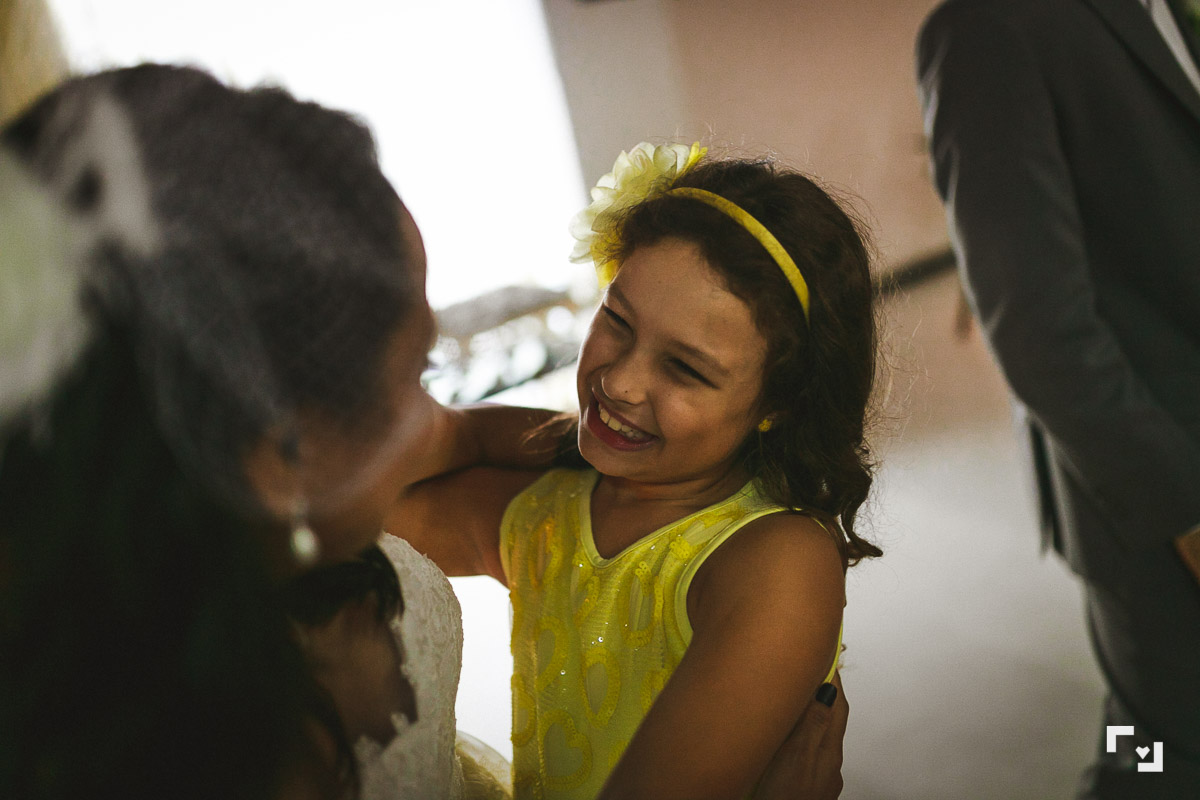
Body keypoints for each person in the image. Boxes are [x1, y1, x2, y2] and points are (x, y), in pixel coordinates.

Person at [0, 66, 848, 799]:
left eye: (688, 368)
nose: (429, 423)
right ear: (282, 449)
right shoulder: (247, 741)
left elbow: (459, 442)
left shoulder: (194, 537)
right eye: (412, 378)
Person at [393, 141, 880, 799]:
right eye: (616, 320)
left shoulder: (776, 561)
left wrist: (486, 438)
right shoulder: (545, 511)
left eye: (684, 368)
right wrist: (483, 435)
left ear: (779, 405)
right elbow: (350, 503)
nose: (618, 382)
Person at [916, 1, 1200, 796]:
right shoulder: (988, 29)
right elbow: (1039, 325)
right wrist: (1183, 507)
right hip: (1156, 489)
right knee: (1158, 750)